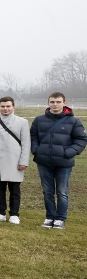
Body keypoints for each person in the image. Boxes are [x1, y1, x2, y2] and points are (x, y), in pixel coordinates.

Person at [30, 92, 87, 229]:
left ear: (64, 103)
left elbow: (81, 140)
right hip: (44, 161)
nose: (55, 104)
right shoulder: (39, 120)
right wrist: (36, 150)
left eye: (58, 102)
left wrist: (67, 153)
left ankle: (60, 218)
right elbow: (33, 136)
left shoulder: (74, 121)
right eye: (52, 102)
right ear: (48, 103)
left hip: (63, 163)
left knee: (62, 191)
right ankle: (50, 216)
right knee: (47, 191)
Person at [0, 97, 31, 224]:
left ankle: (14, 214)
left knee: (14, 189)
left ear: (13, 107)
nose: (5, 109)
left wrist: (23, 161)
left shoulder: (22, 122)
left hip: (14, 160)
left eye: (8, 106)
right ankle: (0, 212)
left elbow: (26, 143)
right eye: (2, 106)